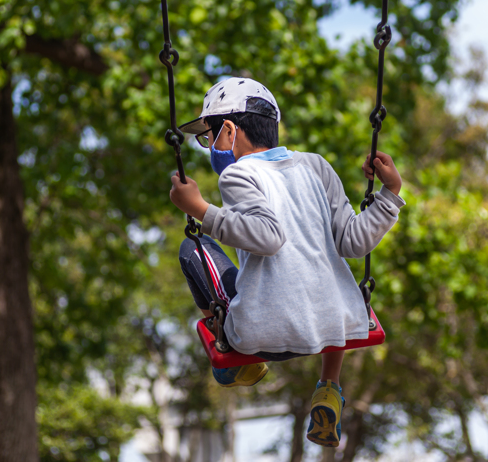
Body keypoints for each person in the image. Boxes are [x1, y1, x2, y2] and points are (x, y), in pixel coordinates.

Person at [169, 77, 404, 448]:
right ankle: (329, 388)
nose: (210, 147)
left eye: (209, 136)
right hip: (333, 328)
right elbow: (354, 242)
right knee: (325, 275)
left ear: (229, 131)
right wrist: (390, 194)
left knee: (193, 248)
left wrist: (200, 209)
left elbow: (268, 236)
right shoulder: (317, 166)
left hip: (263, 336)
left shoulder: (238, 173)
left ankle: (241, 358)